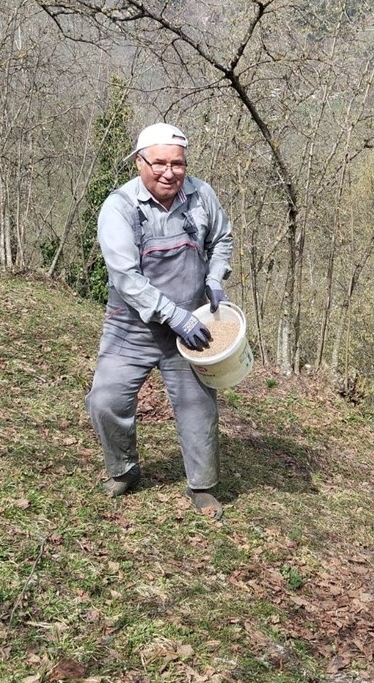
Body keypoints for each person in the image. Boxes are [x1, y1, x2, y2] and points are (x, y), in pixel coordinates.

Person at [85, 123, 234, 519]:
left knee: (198, 407)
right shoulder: (119, 207)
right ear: (139, 163)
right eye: (160, 163)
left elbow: (222, 239)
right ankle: (124, 469)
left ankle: (202, 485)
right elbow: (125, 278)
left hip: (192, 328)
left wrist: (215, 279)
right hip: (131, 326)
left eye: (178, 164)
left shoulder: (202, 196)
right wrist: (173, 316)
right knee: (106, 399)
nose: (169, 172)